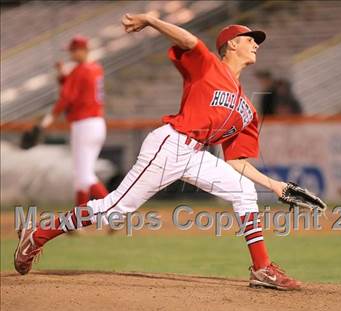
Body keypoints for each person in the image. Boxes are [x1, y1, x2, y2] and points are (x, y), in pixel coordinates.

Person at [14, 13, 301, 291]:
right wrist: (151, 20)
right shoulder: (208, 66)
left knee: (243, 191)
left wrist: (274, 185)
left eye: (256, 40)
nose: (255, 43)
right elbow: (189, 41)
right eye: (249, 38)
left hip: (196, 156)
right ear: (231, 44)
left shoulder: (247, 110)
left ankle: (262, 269)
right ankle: (38, 233)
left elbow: (237, 161)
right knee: (113, 210)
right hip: (171, 145)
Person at [40, 35, 109, 207]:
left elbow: (67, 97)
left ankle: (114, 212)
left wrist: (49, 119)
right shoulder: (95, 68)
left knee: (84, 175)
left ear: (83, 51)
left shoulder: (80, 70)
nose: (70, 54)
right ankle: (77, 220)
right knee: (81, 176)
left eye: (73, 50)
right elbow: (78, 87)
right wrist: (63, 75)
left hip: (84, 125)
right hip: (97, 124)